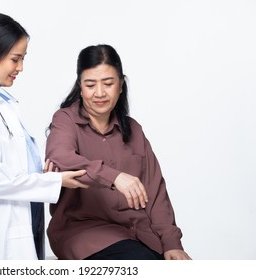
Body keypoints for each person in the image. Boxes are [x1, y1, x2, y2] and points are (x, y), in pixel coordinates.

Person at [0, 13, 87, 260]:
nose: (20, 68)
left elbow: (10, 169)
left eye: (23, 59)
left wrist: (43, 175)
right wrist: (54, 183)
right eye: (15, 59)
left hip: (18, 227)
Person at [45, 44, 191, 260]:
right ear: (80, 86)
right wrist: (115, 177)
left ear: (121, 85)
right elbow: (61, 158)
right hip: (85, 234)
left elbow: (155, 191)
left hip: (137, 234)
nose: (100, 93)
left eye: (108, 83)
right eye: (90, 84)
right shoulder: (65, 120)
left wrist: (171, 243)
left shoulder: (133, 130)